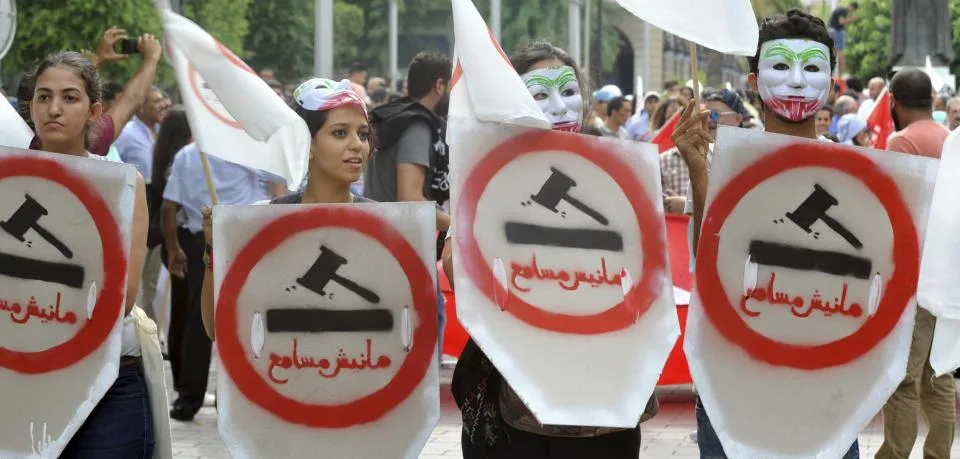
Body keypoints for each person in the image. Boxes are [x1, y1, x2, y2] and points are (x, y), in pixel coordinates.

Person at [446, 40, 652, 459]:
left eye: (568, 91)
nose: (559, 106)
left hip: (603, 390)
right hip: (516, 395)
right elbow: (455, 270)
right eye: (540, 94)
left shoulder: (619, 168)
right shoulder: (486, 171)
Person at [673, 10, 861, 458]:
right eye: (781, 67)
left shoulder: (858, 174)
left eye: (812, 68)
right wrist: (702, 177)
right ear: (755, 82)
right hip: (735, 388)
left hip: (827, 392)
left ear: (832, 83)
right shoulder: (724, 163)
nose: (796, 82)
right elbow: (710, 267)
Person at [24, 50, 152, 458]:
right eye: (43, 97)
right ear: (30, 106)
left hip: (107, 383)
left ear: (95, 110)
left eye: (70, 97)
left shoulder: (123, 185)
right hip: (19, 377)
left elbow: (123, 296)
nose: (54, 109)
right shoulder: (10, 181)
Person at [198, 78, 372, 340]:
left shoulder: (386, 226)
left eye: (363, 134)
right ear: (307, 145)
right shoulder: (263, 220)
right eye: (340, 132)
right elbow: (217, 329)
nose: (357, 144)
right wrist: (215, 250)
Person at [161, 138, 284, 422]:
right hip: (238, 240)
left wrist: (172, 247)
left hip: (205, 241)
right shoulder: (248, 149)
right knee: (241, 320)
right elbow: (281, 184)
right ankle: (231, 398)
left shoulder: (186, 154)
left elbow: (169, 206)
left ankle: (189, 398)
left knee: (199, 322)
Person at [877, 69, 957, 459]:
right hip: (947, 274)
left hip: (916, 274)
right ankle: (939, 453)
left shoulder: (902, 142)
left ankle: (893, 453)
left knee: (904, 377)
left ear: (893, 101)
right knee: (937, 371)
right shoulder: (947, 139)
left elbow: (891, 211)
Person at [363, 51, 451, 233]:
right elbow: (410, 199)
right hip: (396, 241)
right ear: (440, 85)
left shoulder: (393, 116)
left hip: (376, 233)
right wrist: (460, 226)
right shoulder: (417, 126)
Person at [828, 2, 859, 76]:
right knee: (841, 51)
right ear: (851, 7)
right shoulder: (844, 11)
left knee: (834, 52)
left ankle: (831, 72)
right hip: (837, 31)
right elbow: (841, 21)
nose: (852, 11)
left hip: (830, 30)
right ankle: (841, 74)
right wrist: (853, 19)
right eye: (853, 10)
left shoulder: (839, 9)